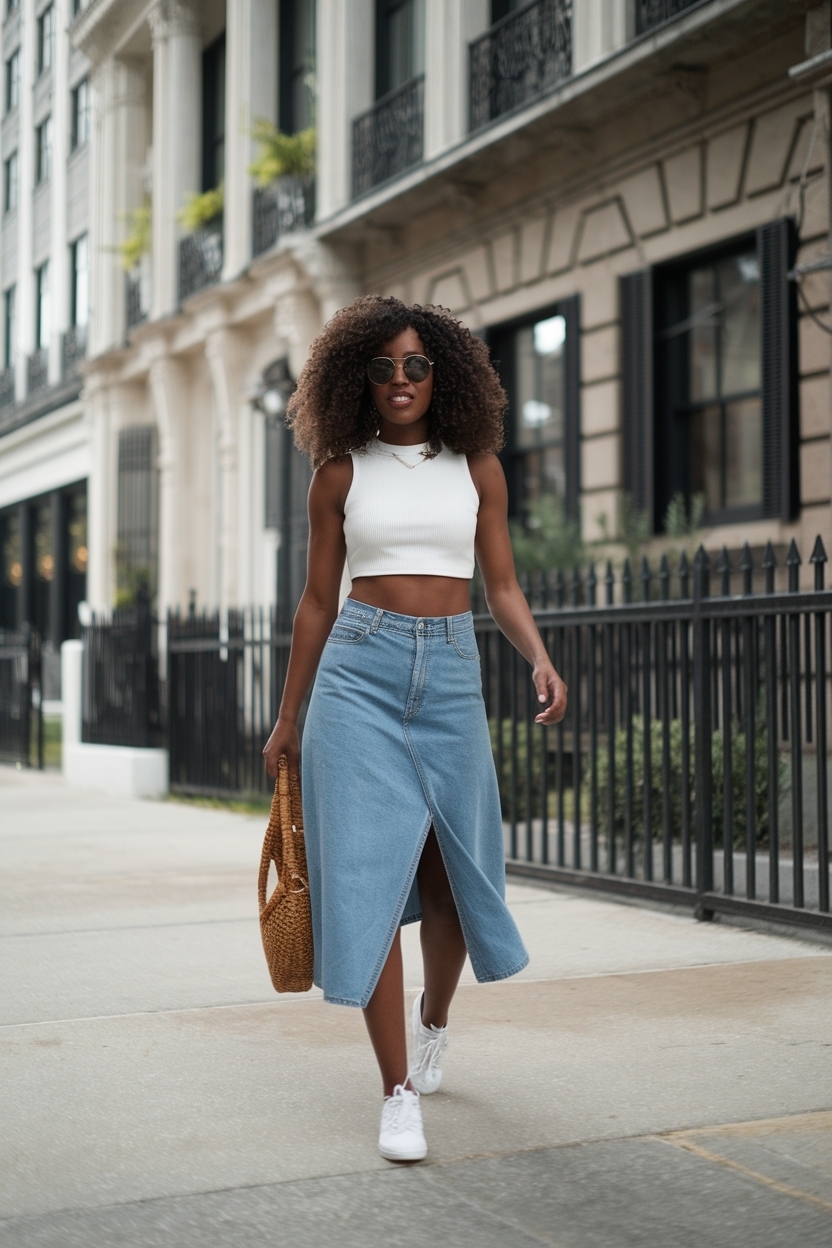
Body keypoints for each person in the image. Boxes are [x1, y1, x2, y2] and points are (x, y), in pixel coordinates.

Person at [263, 295, 567, 1162]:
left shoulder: (478, 468)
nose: (400, 382)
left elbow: (500, 587)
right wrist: (290, 716)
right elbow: (317, 602)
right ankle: (396, 1092)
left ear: (446, 374)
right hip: (356, 675)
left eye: (417, 366)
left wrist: (538, 658)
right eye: (384, 368)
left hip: (452, 674)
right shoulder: (339, 474)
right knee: (362, 878)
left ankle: (434, 1022)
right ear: (358, 377)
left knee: (454, 879)